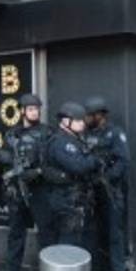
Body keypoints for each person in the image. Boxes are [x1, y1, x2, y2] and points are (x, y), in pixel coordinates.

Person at [0, 93, 54, 271]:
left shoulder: (47, 132)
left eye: (37, 109)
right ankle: (12, 269)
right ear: (22, 111)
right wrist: (4, 157)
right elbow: (3, 155)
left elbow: (52, 160)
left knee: (45, 231)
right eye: (30, 109)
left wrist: (37, 172)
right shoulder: (12, 133)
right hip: (17, 189)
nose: (34, 112)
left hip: (39, 188)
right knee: (15, 231)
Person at [83, 96, 130, 271]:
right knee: (90, 231)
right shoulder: (85, 134)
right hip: (91, 189)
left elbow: (122, 161)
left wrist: (108, 177)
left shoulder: (114, 133)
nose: (86, 119)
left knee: (115, 233)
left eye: (89, 115)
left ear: (99, 115)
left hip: (110, 190)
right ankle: (91, 269)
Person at [43, 102, 99, 247]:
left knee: (80, 239)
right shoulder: (61, 142)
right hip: (65, 199)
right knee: (69, 241)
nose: (82, 124)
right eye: (78, 120)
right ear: (66, 122)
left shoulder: (75, 140)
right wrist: (94, 159)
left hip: (76, 198)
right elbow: (78, 166)